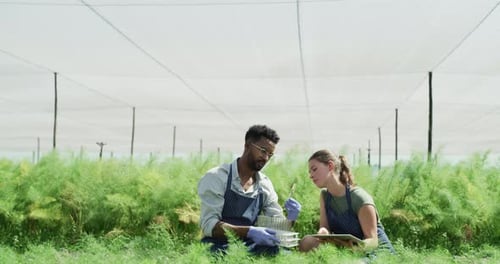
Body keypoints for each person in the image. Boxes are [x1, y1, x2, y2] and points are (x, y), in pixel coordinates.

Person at [198, 124, 301, 256]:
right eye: (263, 150)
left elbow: (278, 227)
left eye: (270, 154)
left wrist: (291, 219)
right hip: (219, 244)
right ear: (247, 145)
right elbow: (209, 225)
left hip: (249, 245)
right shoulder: (217, 177)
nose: (266, 158)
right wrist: (250, 231)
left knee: (284, 253)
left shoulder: (264, 184)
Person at [299, 149, 395, 257]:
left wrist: (355, 248)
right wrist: (323, 232)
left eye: (314, 169)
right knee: (307, 242)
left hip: (375, 253)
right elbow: (325, 227)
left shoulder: (359, 198)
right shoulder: (325, 195)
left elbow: (373, 241)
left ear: (330, 166)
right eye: (309, 172)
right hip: (346, 250)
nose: (310, 175)